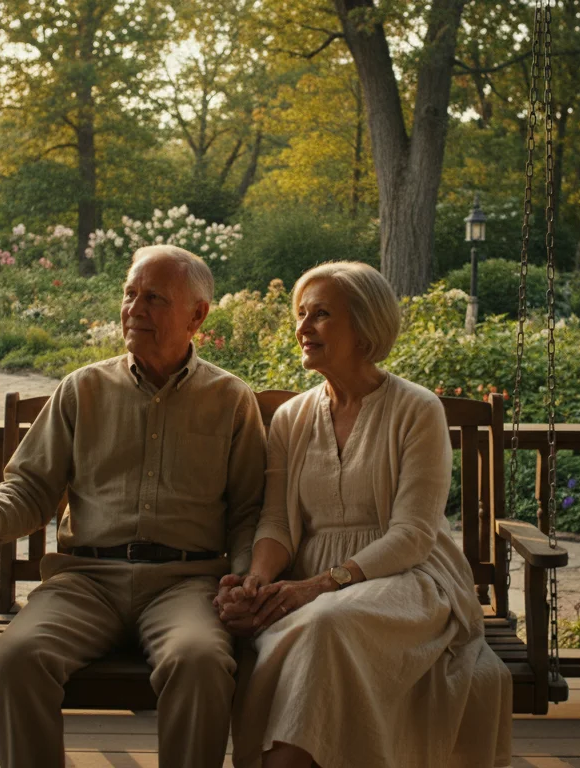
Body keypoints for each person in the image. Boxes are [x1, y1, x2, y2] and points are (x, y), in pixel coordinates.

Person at [0, 245, 266, 768]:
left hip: (187, 584)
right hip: (87, 581)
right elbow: (31, 486)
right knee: (15, 661)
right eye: (130, 294)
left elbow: (247, 512)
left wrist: (242, 578)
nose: (135, 309)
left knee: (199, 662)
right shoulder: (82, 389)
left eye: (154, 298)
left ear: (197, 315)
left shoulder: (230, 399)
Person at [216, 261, 513, 768]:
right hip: (311, 581)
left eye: (322, 314)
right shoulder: (291, 418)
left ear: (365, 328)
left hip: (408, 578)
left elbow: (414, 535)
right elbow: (277, 524)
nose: (303, 328)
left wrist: (319, 586)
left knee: (327, 622)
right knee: (319, 624)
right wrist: (258, 582)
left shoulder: (417, 410)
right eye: (301, 313)